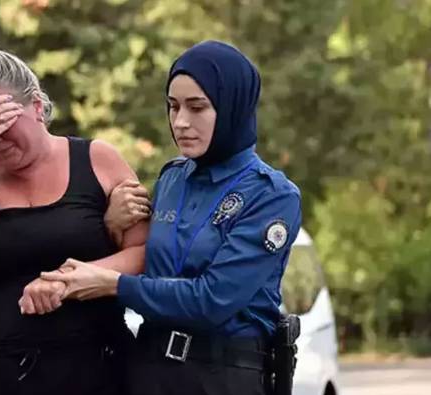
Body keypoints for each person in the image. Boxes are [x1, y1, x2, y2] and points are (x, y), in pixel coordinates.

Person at [41, 40, 303, 395]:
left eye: (197, 107)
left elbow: (212, 301)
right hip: (149, 369)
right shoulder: (172, 179)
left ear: (232, 108)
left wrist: (113, 285)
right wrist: (112, 225)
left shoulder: (271, 195)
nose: (181, 122)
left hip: (222, 376)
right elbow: (150, 262)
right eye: (173, 106)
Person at [0, 49, 149, 395]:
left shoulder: (98, 160)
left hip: (94, 366)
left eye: (3, 121)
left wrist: (70, 280)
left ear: (36, 106)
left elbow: (144, 254)